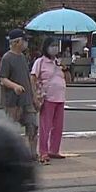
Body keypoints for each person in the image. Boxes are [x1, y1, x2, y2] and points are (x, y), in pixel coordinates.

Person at [0, 28, 40, 157]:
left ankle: (33, 155)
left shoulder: (23, 57)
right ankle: (10, 155)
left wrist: (34, 97)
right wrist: (15, 86)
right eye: (24, 40)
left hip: (27, 100)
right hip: (12, 101)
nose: (25, 43)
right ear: (16, 42)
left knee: (33, 126)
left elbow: (28, 78)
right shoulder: (7, 58)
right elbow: (3, 79)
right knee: (12, 130)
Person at [31, 36, 67, 164]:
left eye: (56, 45)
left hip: (60, 97)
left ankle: (54, 150)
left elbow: (65, 77)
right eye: (52, 45)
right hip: (47, 98)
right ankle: (43, 151)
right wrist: (35, 94)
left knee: (58, 126)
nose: (55, 48)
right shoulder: (40, 62)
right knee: (45, 126)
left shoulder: (57, 62)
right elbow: (33, 78)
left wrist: (65, 69)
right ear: (46, 47)